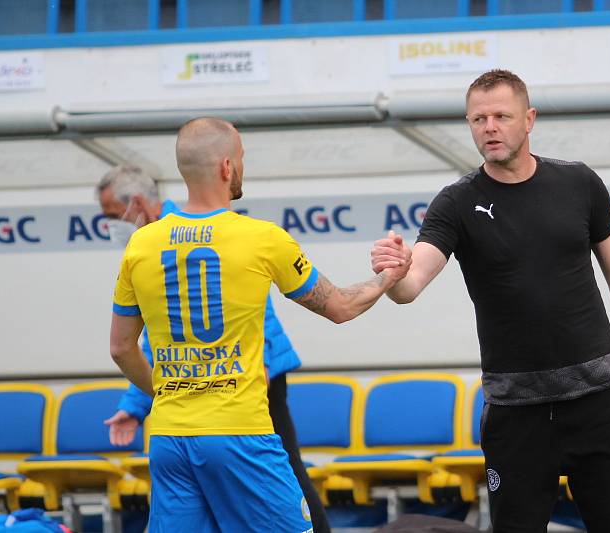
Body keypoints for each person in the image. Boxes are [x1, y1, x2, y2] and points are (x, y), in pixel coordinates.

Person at [370, 70, 610, 533]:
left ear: (528, 119)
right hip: (516, 413)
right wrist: (396, 271)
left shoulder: (579, 183)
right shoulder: (456, 202)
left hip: (598, 401)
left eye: (501, 116)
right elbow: (411, 286)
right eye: (478, 119)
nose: (489, 127)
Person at [109, 117, 407, 532]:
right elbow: (340, 306)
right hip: (240, 434)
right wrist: (389, 277)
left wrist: (165, 391)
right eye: (243, 158)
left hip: (169, 439)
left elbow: (122, 348)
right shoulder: (262, 238)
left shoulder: (140, 245)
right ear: (227, 167)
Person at [97, 164, 332, 532]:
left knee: (283, 472)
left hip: (252, 375)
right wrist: (134, 405)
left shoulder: (179, 235)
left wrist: (262, 366)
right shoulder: (151, 243)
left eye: (112, 215)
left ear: (138, 203)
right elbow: (163, 337)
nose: (111, 225)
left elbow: (250, 310)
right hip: (208, 388)